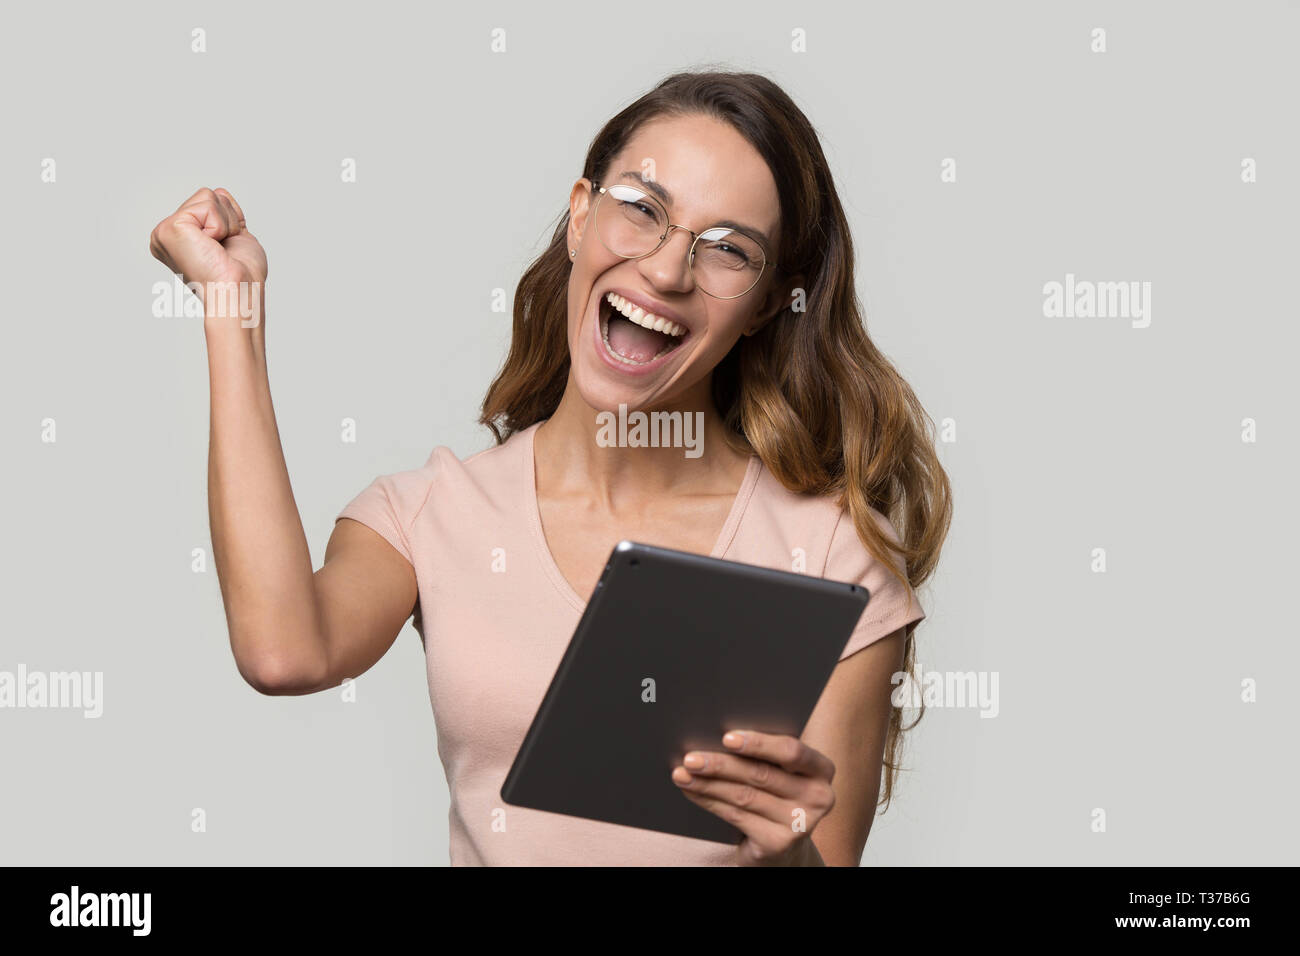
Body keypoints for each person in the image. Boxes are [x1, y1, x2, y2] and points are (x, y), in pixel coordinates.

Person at [148, 69, 952, 866]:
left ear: (771, 304)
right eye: (642, 209)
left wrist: (788, 854)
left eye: (728, 250)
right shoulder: (434, 513)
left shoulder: (836, 559)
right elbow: (285, 652)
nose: (668, 272)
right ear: (579, 218)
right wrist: (231, 303)